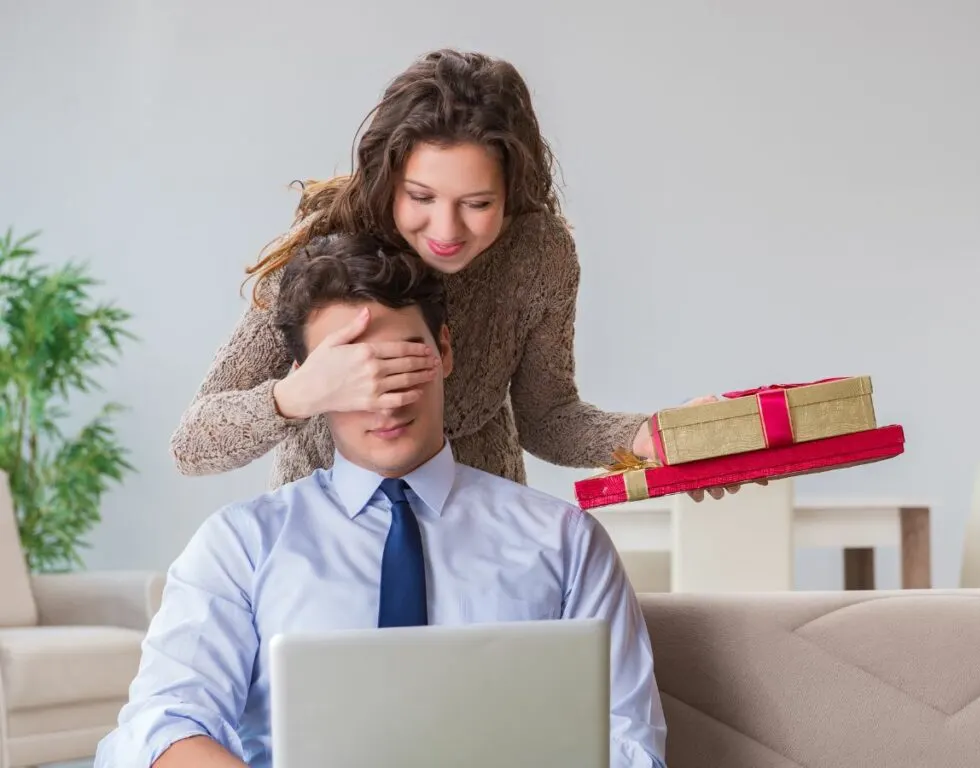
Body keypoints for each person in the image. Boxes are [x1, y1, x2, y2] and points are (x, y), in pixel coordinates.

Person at [97, 234, 667, 768]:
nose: (385, 399)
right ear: (310, 379)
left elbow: (630, 743)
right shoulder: (241, 546)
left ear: (444, 350)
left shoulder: (563, 541)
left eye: (402, 363)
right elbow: (161, 723)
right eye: (353, 373)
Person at [169, 47, 738, 502]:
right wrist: (301, 392)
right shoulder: (326, 250)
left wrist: (648, 437)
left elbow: (547, 416)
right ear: (388, 176)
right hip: (329, 543)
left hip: (482, 531)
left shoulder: (538, 253)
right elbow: (193, 443)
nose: (447, 229)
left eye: (478, 203)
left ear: (511, 193)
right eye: (421, 196)